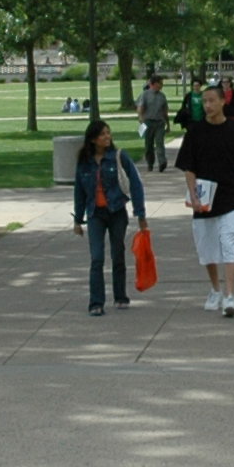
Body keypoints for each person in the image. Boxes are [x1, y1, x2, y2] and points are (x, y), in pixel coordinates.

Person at [173, 82, 234, 316]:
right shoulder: (195, 132)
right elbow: (188, 167)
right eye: (204, 101)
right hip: (205, 199)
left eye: (212, 100)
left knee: (230, 244)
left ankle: (230, 297)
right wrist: (192, 193)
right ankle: (215, 289)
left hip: (231, 197)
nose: (208, 105)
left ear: (223, 101)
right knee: (207, 249)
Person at [71, 117, 150, 314]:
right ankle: (96, 303)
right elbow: (79, 192)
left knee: (118, 254)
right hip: (95, 215)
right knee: (97, 258)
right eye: (102, 134)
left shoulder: (118, 157)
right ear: (93, 139)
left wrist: (140, 214)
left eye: (108, 133)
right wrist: (78, 220)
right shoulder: (85, 163)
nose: (107, 137)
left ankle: (120, 296)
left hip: (116, 212)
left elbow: (136, 184)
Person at [139, 74, 171, 172]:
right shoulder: (145, 94)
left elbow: (165, 111)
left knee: (159, 143)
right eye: (160, 83)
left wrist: (168, 124)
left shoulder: (162, 96)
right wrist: (141, 120)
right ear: (153, 84)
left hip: (159, 122)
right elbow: (141, 108)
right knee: (149, 145)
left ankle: (162, 162)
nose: (161, 85)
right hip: (148, 122)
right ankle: (150, 163)